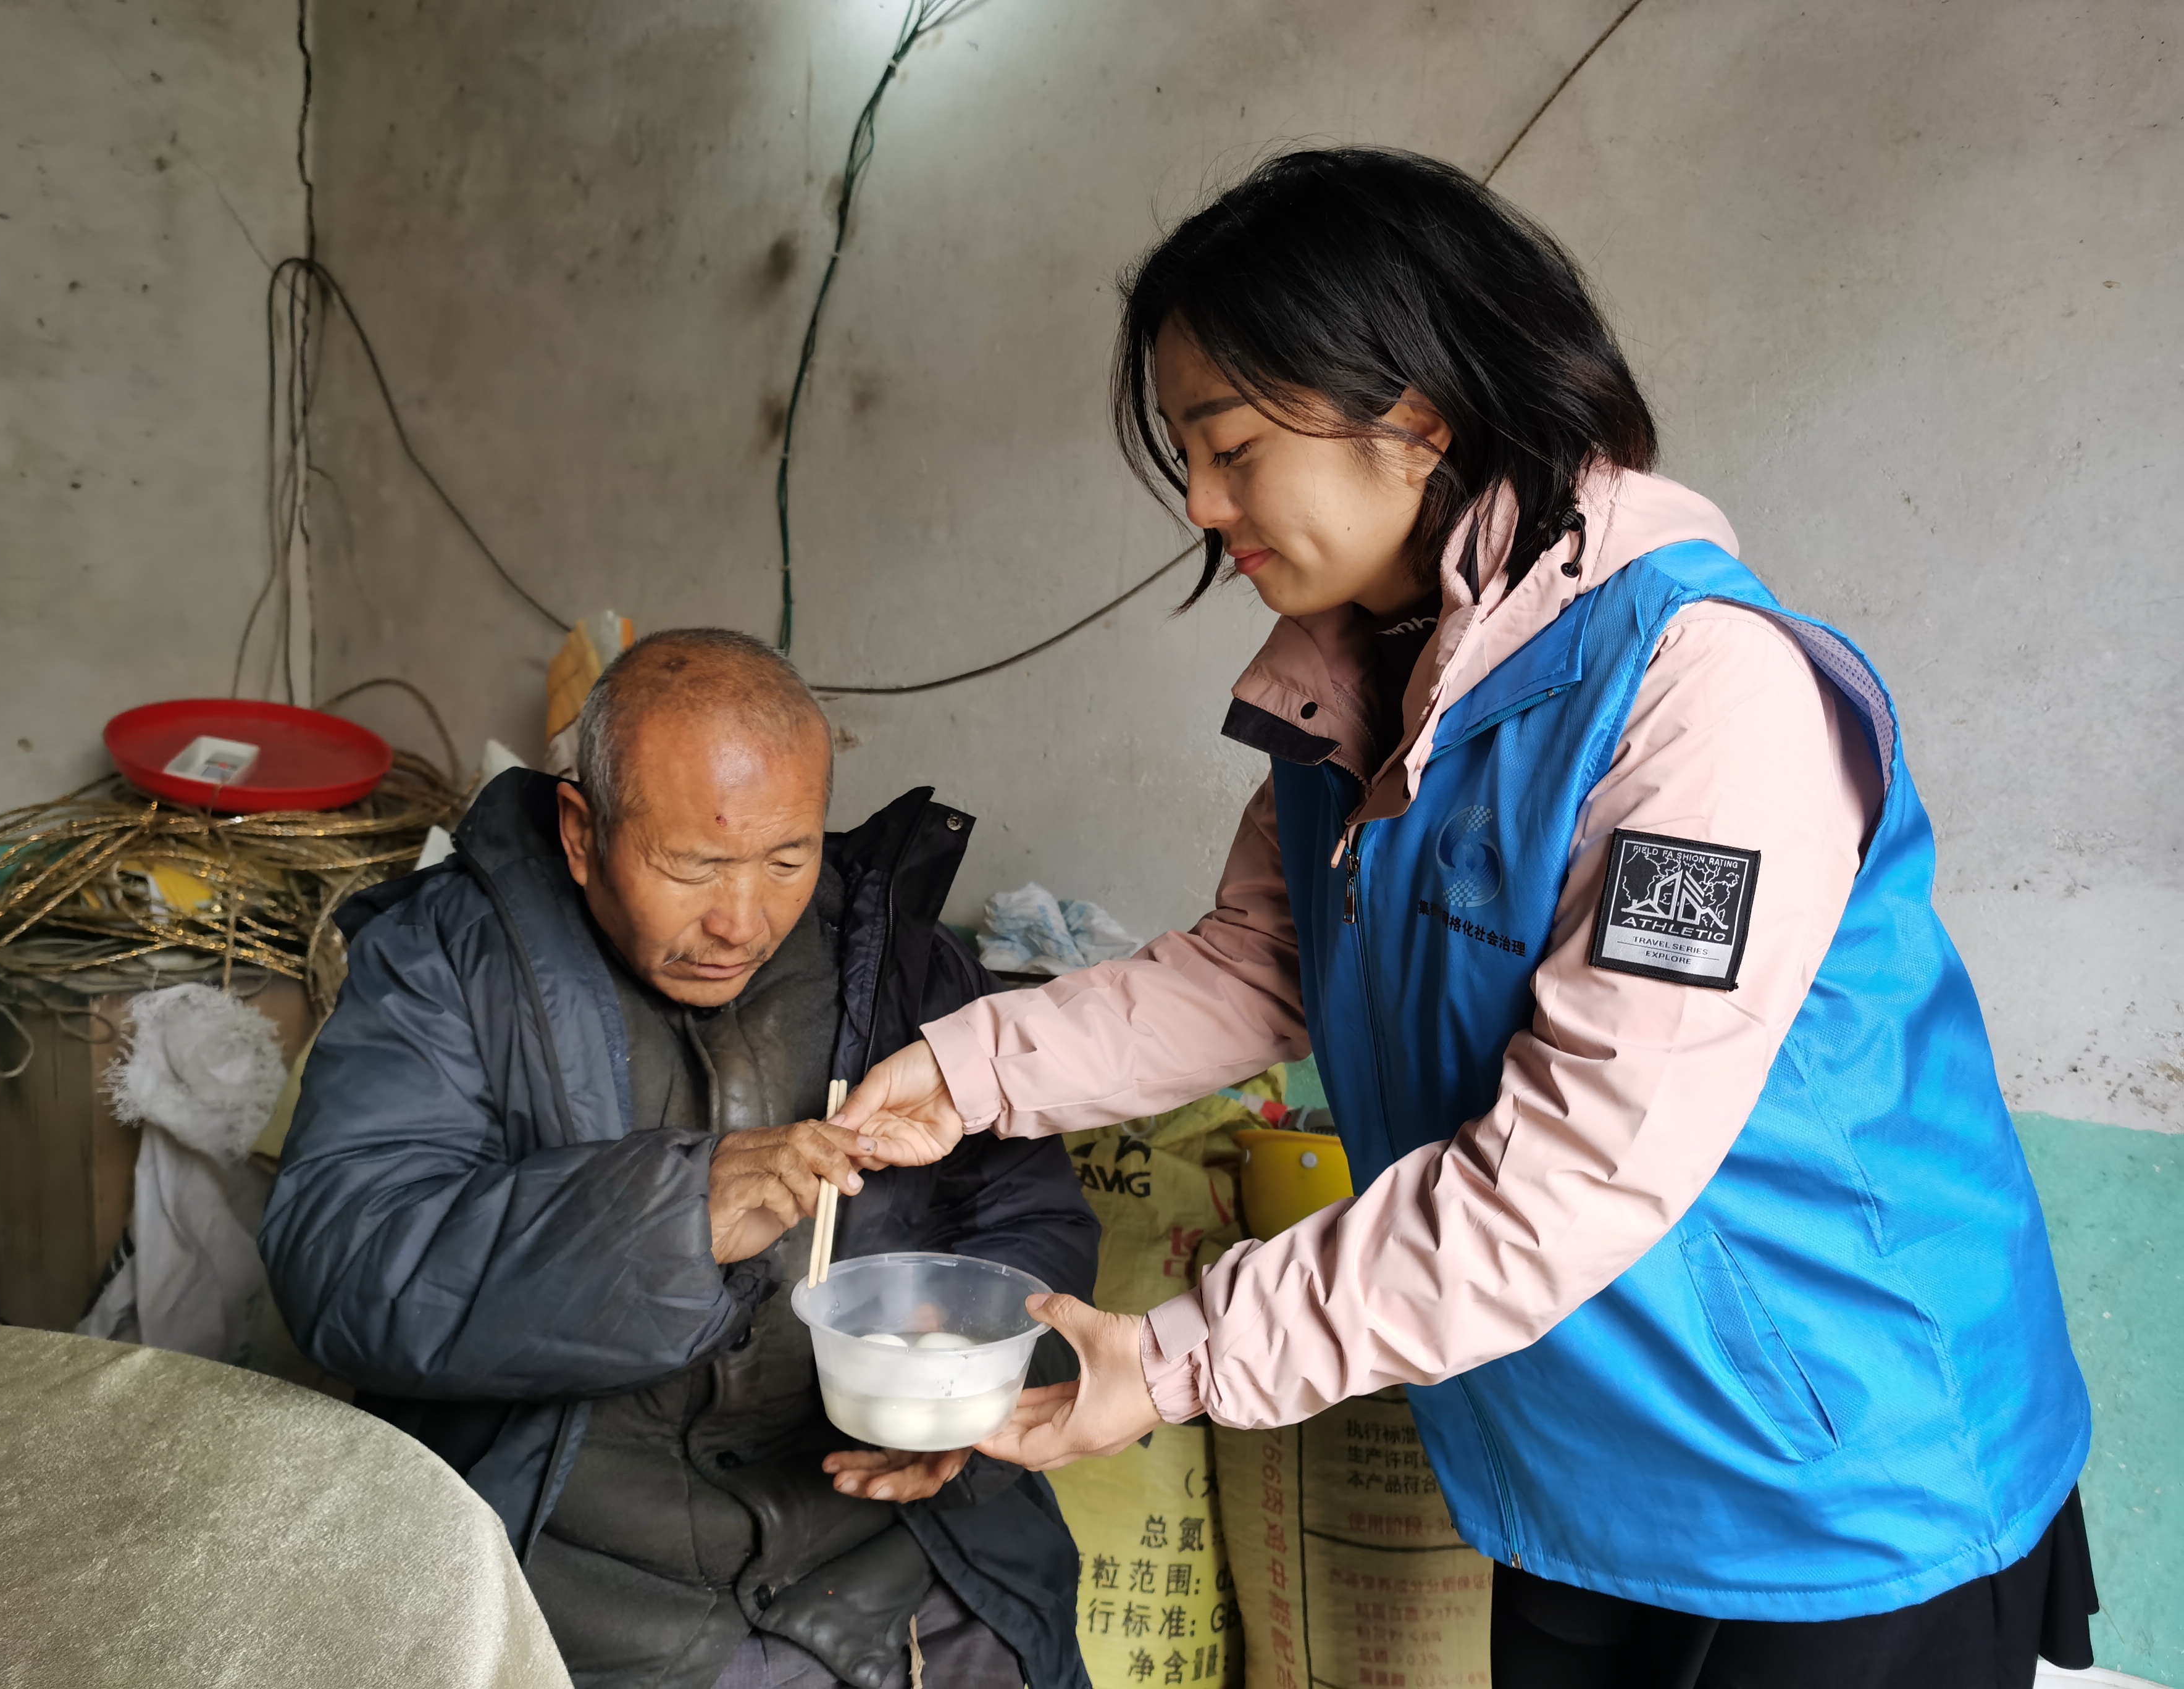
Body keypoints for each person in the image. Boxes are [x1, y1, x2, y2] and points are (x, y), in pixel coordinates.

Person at [835, 149, 2100, 1687]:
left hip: (1830, 1480)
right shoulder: (1366, 684)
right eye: (1187, 454)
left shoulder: (1703, 696)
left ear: (1416, 415)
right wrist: (963, 1073)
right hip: (1576, 1471)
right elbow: (1265, 964)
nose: (1202, 505)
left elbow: (1573, 1173)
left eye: (1232, 446)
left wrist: (1174, 1358)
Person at [259, 630, 1098, 1689]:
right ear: (582, 833)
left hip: (897, 1570)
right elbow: (342, 1266)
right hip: (579, 1585)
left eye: (787, 860)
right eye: (692, 865)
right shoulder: (450, 960)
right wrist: (671, 1219)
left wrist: (975, 1389)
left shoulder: (902, 963)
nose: (740, 921)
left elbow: (1036, 1226)